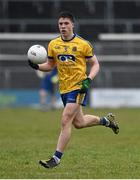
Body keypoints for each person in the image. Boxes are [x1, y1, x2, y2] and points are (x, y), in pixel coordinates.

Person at [28, 11, 119, 169]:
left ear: (72, 25)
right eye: (60, 24)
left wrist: (88, 79)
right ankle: (106, 121)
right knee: (79, 123)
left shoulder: (83, 44)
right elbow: (50, 66)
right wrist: (36, 66)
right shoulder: (53, 45)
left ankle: (56, 158)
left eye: (66, 23)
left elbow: (96, 64)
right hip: (64, 88)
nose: (63, 26)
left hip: (79, 87)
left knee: (65, 120)